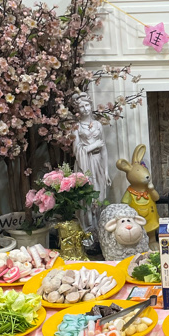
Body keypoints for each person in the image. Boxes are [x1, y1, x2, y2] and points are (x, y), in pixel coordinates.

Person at [71, 91, 110, 233]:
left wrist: (106, 171)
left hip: (98, 162)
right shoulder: (76, 127)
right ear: (78, 109)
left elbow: (104, 148)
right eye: (82, 106)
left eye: (87, 105)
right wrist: (93, 145)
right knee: (87, 197)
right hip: (85, 165)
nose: (85, 109)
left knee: (99, 195)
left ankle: (99, 228)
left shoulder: (98, 125)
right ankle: (88, 229)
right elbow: (77, 150)